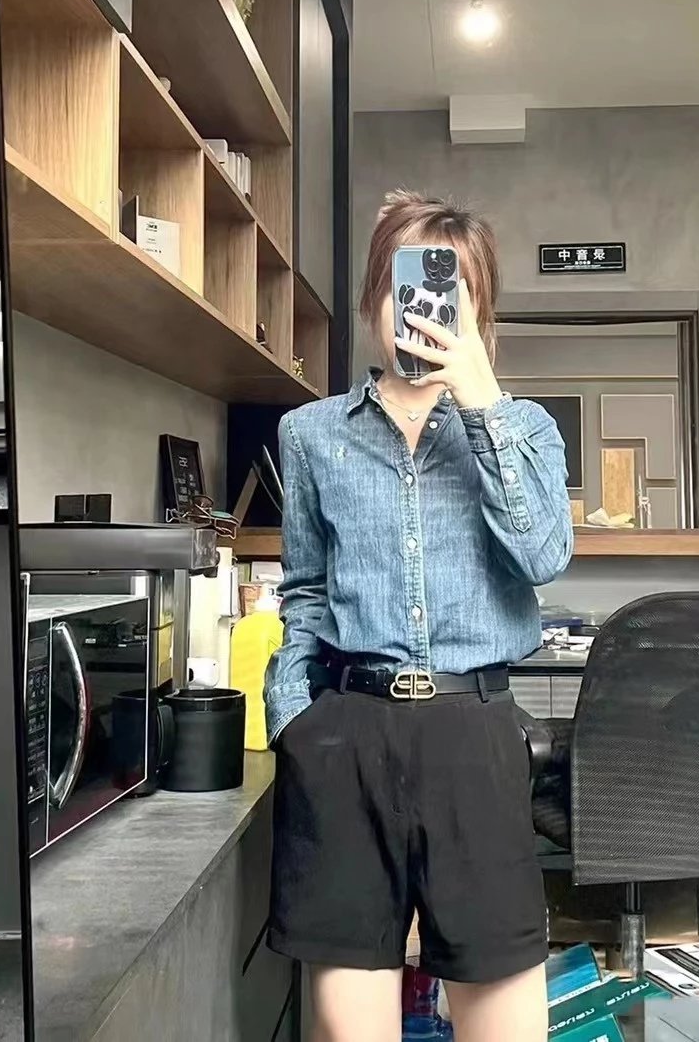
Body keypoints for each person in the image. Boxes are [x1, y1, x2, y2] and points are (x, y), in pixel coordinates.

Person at [265, 188, 573, 1042]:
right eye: (409, 287)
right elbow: (305, 591)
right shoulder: (310, 434)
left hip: (475, 736)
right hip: (346, 737)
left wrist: (481, 402)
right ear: (377, 296)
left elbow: (544, 554)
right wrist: (296, 720)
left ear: (479, 311)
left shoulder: (526, 428)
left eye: (452, 294)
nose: (426, 311)